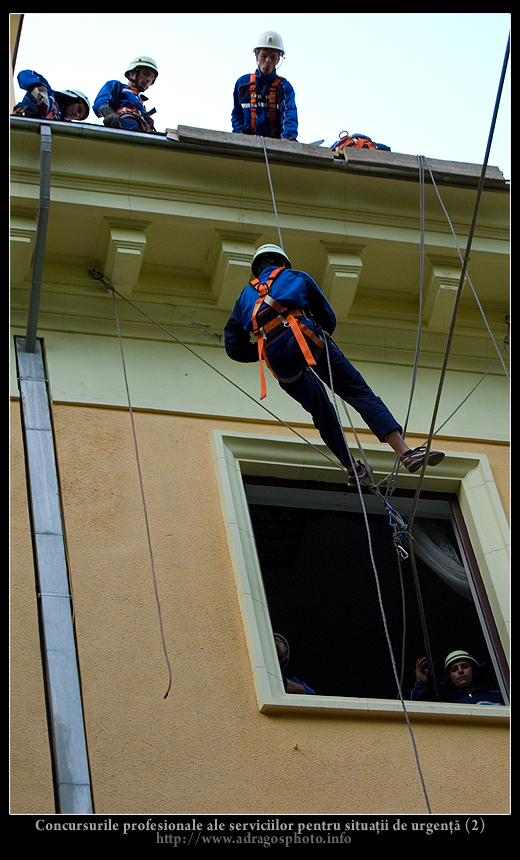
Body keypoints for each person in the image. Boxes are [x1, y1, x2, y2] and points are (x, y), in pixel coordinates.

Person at [224, 244, 445, 485]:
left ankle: (352, 468)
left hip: (278, 361)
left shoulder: (243, 298)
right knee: (357, 391)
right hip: (306, 339)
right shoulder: (295, 276)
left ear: (257, 270)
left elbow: (233, 347)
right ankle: (405, 452)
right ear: (283, 263)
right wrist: (317, 339)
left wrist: (265, 351)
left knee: (321, 411)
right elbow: (327, 316)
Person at [232, 31, 298, 141]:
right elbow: (237, 114)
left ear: (278, 60)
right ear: (257, 56)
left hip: (275, 143)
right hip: (246, 142)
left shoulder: (284, 87)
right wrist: (238, 134)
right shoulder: (242, 85)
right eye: (264, 56)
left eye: (273, 57)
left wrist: (287, 139)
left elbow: (289, 115)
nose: (267, 61)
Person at [412, 650, 505, 705]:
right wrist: (420, 683)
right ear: (450, 678)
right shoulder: (447, 705)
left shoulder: (499, 696)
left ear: (474, 670)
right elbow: (419, 710)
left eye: (464, 666)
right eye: (454, 669)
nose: (460, 671)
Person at [93, 56, 158, 132]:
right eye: (145, 73)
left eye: (151, 78)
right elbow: (101, 101)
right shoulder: (117, 86)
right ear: (132, 73)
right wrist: (108, 113)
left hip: (142, 130)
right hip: (125, 123)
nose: (148, 79)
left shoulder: (140, 103)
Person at [13, 70, 90, 122]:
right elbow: (24, 74)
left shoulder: (63, 126)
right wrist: (40, 94)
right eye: (79, 109)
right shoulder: (48, 92)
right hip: (21, 123)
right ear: (71, 99)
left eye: (78, 117)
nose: (76, 115)